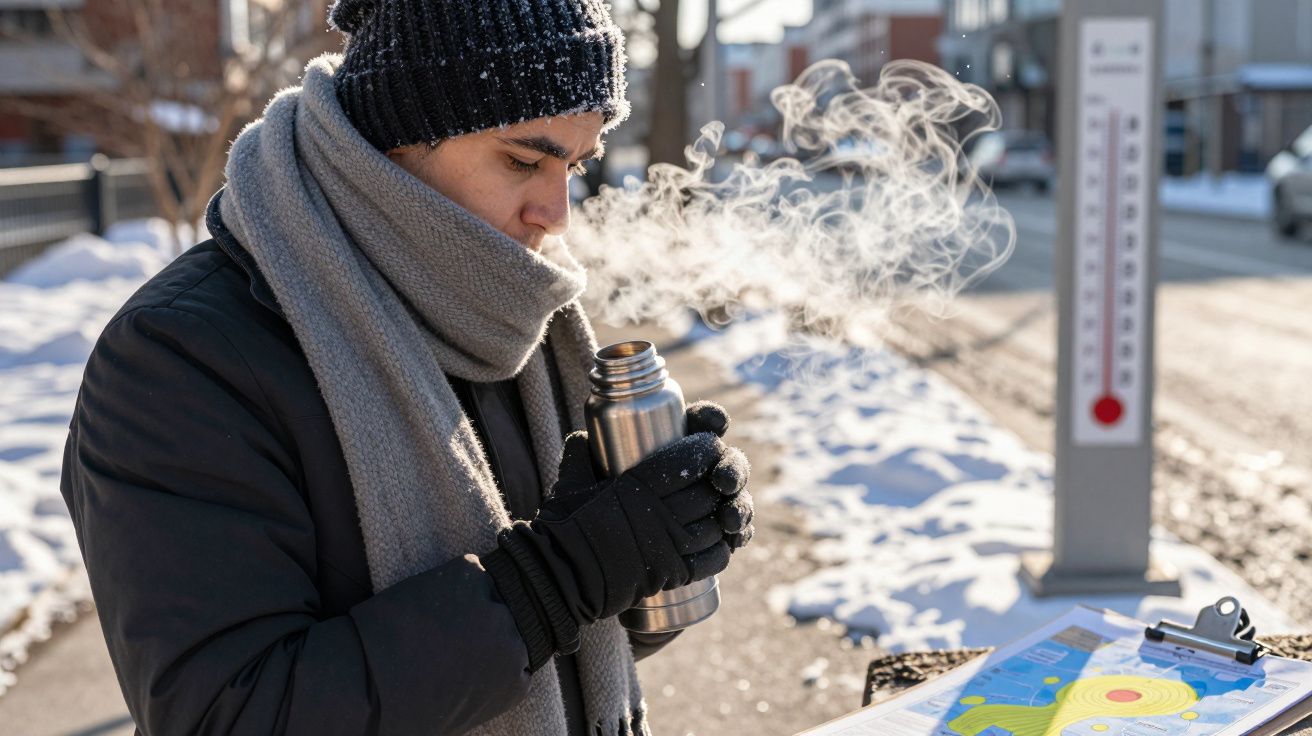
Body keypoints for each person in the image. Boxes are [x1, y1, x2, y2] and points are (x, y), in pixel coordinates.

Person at [58, 1, 756, 734]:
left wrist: (646, 551)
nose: (557, 214)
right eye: (523, 159)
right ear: (393, 139)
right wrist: (567, 573)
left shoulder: (510, 307)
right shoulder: (178, 360)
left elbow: (543, 657)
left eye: (573, 166)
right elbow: (231, 716)